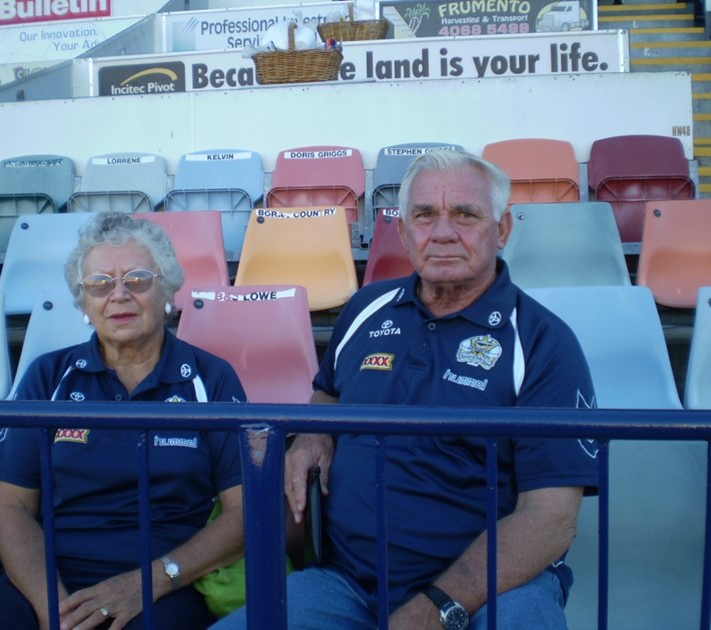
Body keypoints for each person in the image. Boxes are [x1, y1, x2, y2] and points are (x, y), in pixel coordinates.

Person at [213, 151, 598, 630]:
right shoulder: (365, 309)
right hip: (347, 582)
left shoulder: (543, 342)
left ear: (501, 230)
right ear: (403, 233)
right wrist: (313, 435)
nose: (442, 232)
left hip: (497, 589)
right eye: (424, 215)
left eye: (465, 214)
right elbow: (327, 394)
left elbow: (551, 519)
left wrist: (435, 607)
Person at [0, 212, 246, 630]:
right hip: (52, 580)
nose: (118, 295)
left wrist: (149, 582)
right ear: (84, 302)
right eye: (100, 285)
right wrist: (55, 610)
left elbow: (243, 512)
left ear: (168, 291)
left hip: (166, 582)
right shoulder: (48, 377)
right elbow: (11, 505)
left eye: (138, 279)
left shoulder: (212, 379)